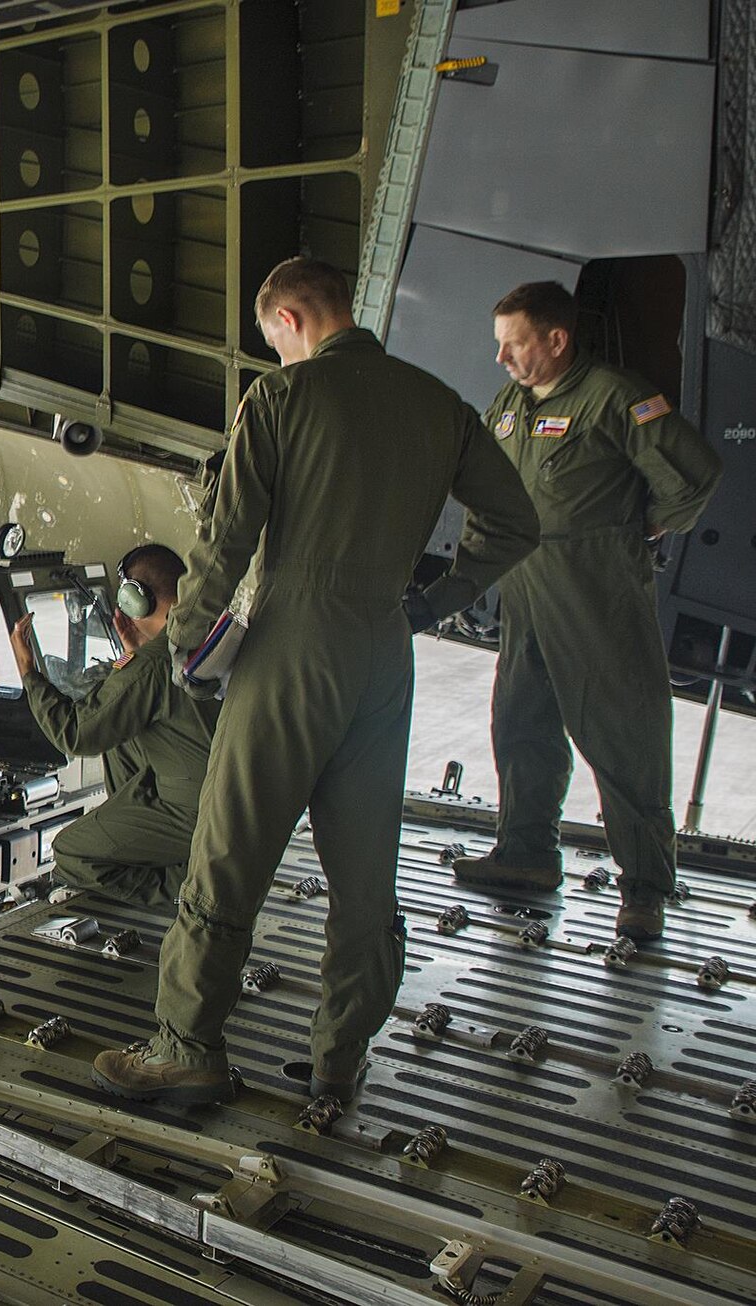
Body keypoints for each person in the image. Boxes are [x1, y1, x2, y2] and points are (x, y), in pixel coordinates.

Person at [90, 257, 540, 1106]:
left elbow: (224, 547)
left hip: (295, 643)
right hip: (384, 650)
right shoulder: (441, 406)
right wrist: (432, 601)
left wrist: (182, 649)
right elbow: (517, 522)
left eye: (274, 342)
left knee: (229, 853)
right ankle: (340, 1057)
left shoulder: (283, 398)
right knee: (367, 870)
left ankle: (188, 1045)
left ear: (290, 322)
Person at [451, 282, 722, 943]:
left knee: (622, 738)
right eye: (499, 345)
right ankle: (526, 855)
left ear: (556, 339)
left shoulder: (614, 397)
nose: (502, 359)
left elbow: (693, 476)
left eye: (513, 344)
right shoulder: (511, 406)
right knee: (522, 721)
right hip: (527, 589)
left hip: (596, 593)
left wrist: (647, 526)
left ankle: (646, 889)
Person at [7, 544, 218, 907]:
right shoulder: (203, 640)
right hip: (224, 798)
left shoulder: (152, 665)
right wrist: (133, 655)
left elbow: (75, 733)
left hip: (193, 812)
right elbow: (120, 712)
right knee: (121, 735)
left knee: (71, 853)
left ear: (135, 599)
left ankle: (187, 886)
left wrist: (28, 671)